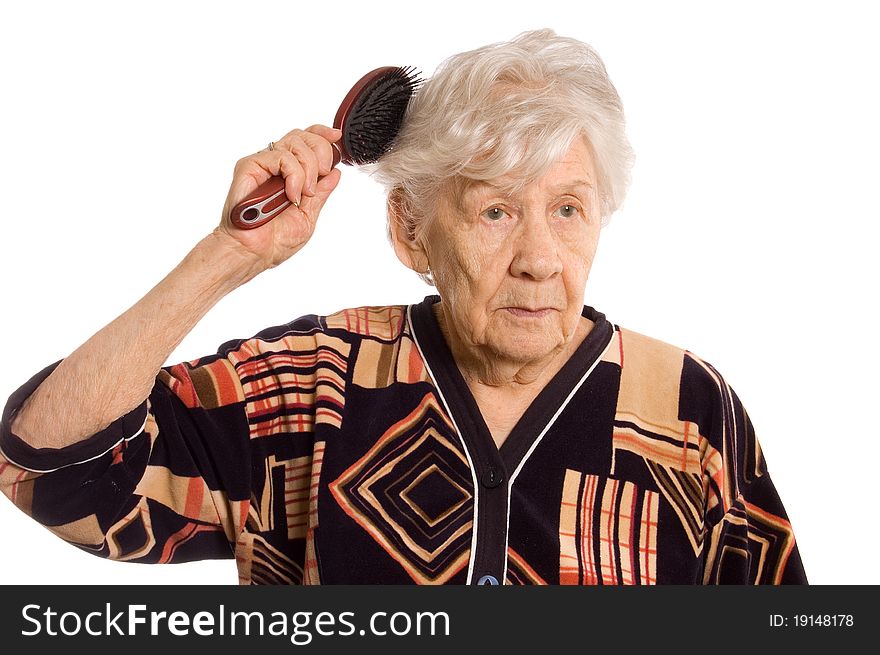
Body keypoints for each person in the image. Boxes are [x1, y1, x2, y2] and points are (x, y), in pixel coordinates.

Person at [0, 28, 806, 585]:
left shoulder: (688, 412)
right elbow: (50, 470)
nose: (537, 259)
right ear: (410, 228)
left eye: (568, 208)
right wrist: (228, 257)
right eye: (495, 211)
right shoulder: (314, 385)